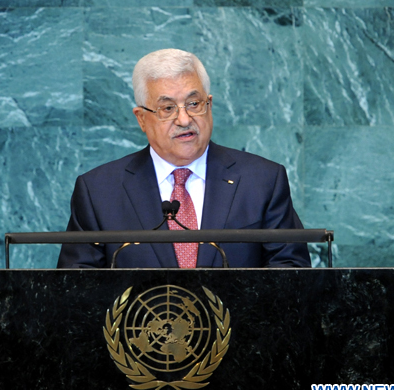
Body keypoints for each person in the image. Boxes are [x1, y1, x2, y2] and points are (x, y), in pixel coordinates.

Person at [57, 48, 311, 268]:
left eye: (194, 104)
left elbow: (290, 271)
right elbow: (77, 289)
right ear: (141, 118)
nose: (184, 119)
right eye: (167, 108)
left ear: (209, 104)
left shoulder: (262, 181)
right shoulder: (99, 191)